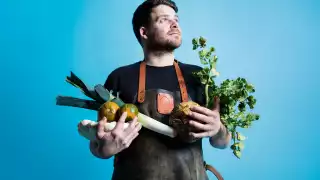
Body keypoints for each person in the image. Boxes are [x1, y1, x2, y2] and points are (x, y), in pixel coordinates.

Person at [89, 0, 231, 179]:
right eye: (164, 20)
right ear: (144, 32)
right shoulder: (119, 77)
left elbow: (222, 142)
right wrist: (105, 149)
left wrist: (218, 128)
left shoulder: (199, 76)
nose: (174, 24)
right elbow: (97, 143)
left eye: (176, 20)